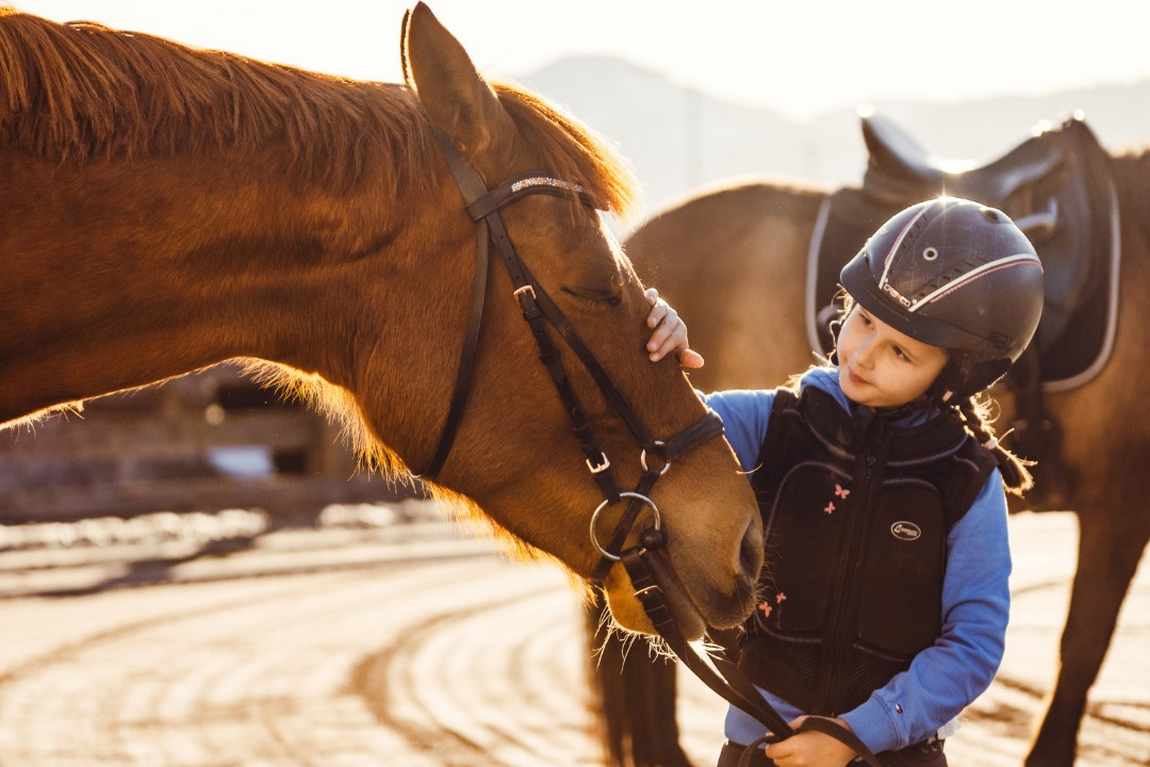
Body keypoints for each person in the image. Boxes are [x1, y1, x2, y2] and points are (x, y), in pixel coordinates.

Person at [642, 196, 1044, 767]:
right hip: (762, 752)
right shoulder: (772, 423)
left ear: (954, 376)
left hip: (897, 757)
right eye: (864, 320)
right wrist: (655, 338)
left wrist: (857, 734)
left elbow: (973, 643)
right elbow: (661, 426)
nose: (862, 355)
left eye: (900, 351)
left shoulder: (967, 482)